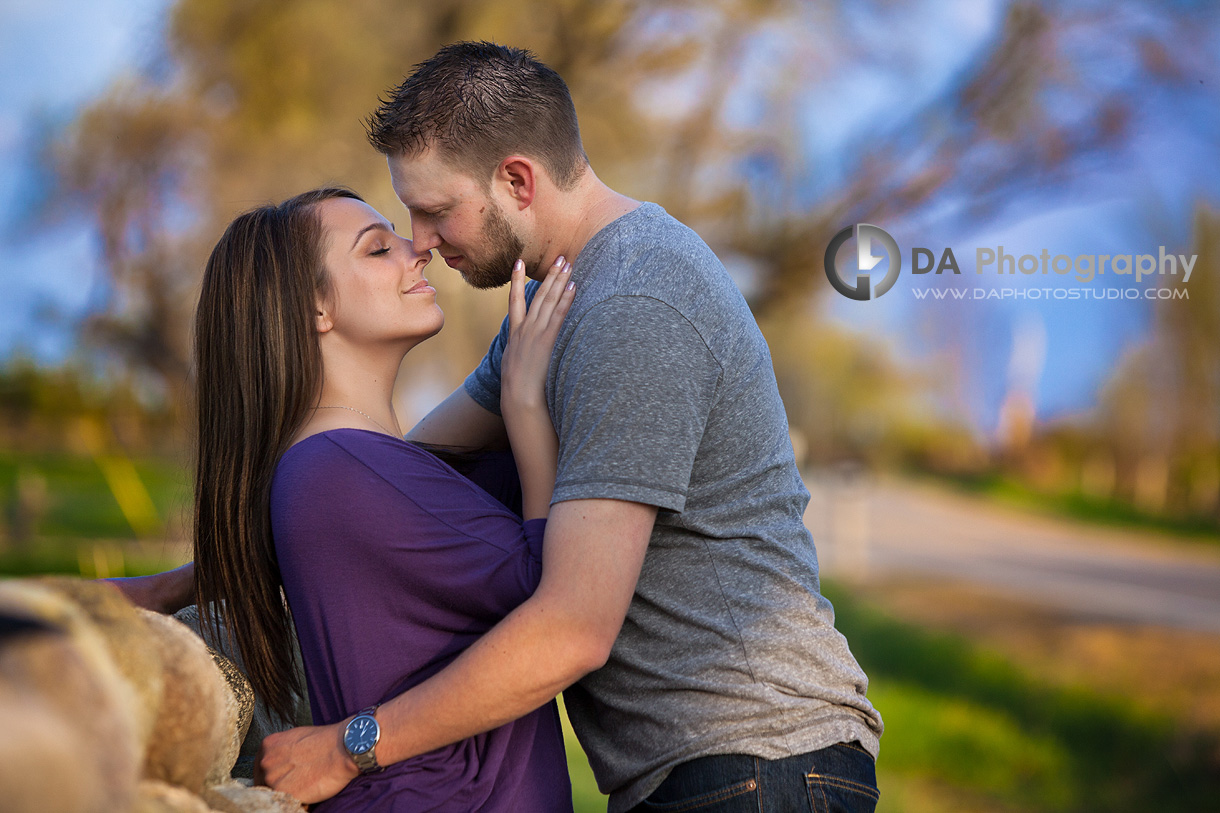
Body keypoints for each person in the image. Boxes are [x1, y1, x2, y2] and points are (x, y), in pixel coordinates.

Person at [121, 41, 884, 813]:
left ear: (516, 180)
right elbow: (392, 483)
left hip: (758, 760)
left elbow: (573, 626)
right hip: (702, 772)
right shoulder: (560, 306)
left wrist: (352, 743)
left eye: (432, 210)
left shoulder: (633, 311)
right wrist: (194, 578)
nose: (421, 241)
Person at [187, 185, 578, 811]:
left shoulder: (352, 468)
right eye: (377, 249)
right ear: (316, 306)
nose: (417, 249)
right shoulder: (338, 466)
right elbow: (555, 589)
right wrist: (526, 405)